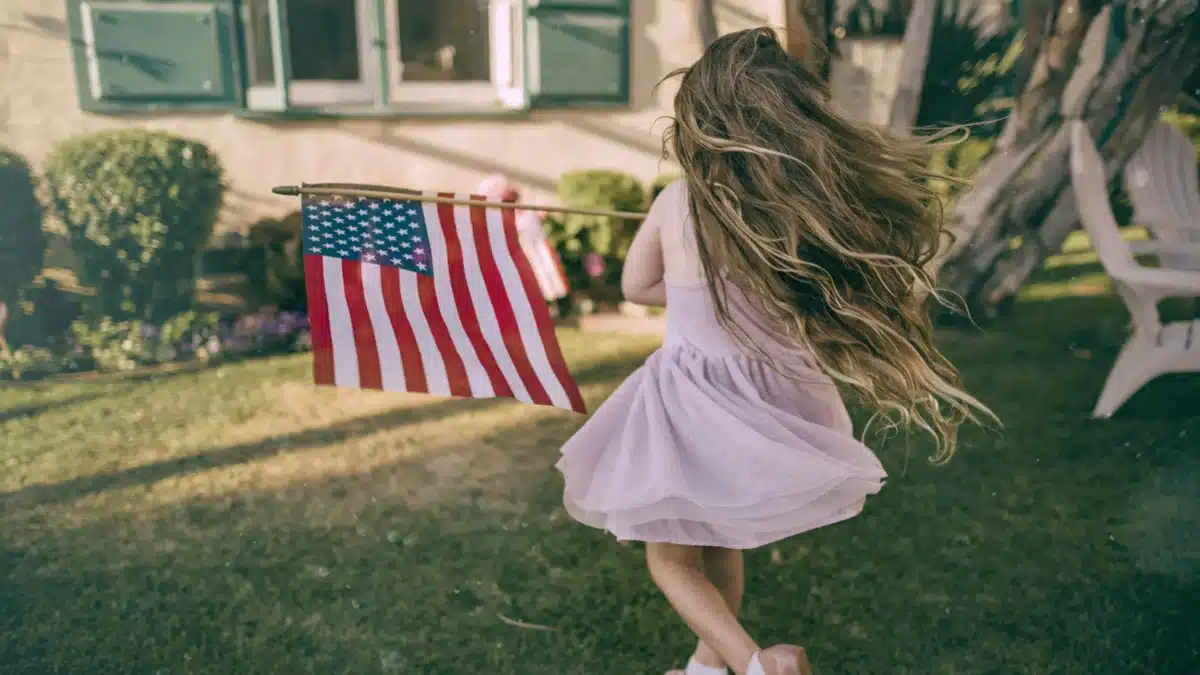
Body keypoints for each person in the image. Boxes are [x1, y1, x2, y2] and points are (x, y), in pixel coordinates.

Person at [555, 28, 995, 675]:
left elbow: (634, 285)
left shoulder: (678, 200)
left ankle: (761, 665)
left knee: (672, 560)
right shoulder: (791, 211)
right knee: (719, 549)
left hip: (695, 406)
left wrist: (681, 278)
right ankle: (709, 671)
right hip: (773, 405)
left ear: (697, 123)